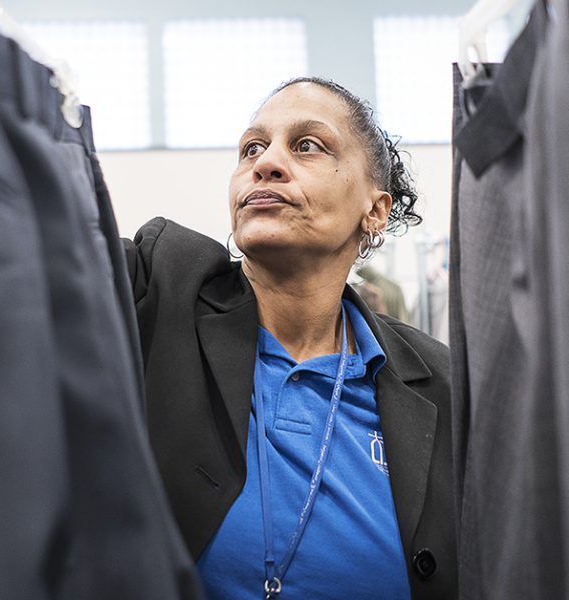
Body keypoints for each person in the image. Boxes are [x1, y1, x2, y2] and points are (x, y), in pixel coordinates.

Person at [124, 77, 456, 599]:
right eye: (252, 148)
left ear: (375, 209)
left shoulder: (440, 383)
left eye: (308, 145)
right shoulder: (161, 290)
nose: (266, 163)